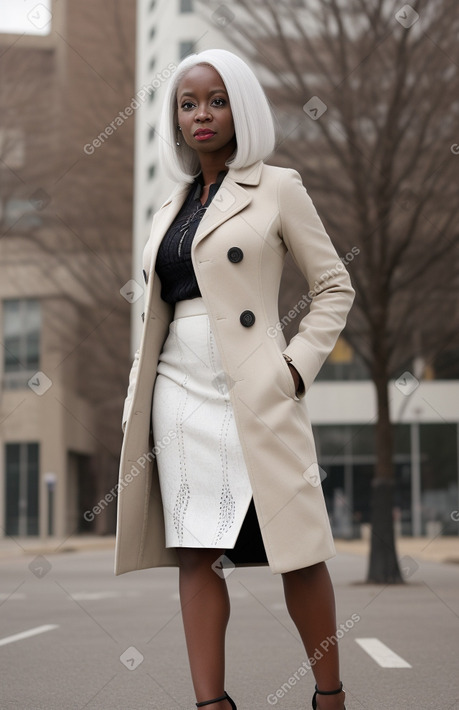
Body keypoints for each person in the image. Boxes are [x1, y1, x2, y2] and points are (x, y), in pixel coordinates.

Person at [114, 48, 355, 710]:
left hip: (254, 386)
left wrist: (293, 370)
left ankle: (329, 695)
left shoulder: (277, 186)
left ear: (240, 107)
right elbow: (154, 310)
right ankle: (210, 704)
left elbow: (333, 287)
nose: (200, 114)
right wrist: (138, 392)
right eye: (187, 103)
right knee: (197, 552)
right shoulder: (169, 206)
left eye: (215, 100)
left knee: (296, 548)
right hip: (177, 391)